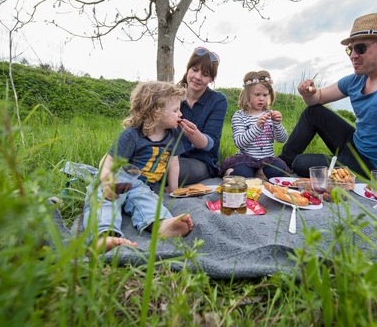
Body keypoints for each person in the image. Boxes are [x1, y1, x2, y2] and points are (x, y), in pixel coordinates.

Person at [278, 13, 377, 201]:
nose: (353, 55)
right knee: (314, 112)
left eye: (360, 48)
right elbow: (317, 98)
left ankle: (295, 165)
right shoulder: (357, 79)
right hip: (355, 145)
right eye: (349, 50)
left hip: (374, 167)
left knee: (301, 163)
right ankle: (278, 167)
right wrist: (308, 94)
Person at [83, 81, 194, 252]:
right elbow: (108, 162)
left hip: (143, 187)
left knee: (148, 201)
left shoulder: (173, 134)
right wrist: (106, 181)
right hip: (121, 179)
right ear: (156, 112)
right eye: (175, 110)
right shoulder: (132, 135)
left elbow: (174, 163)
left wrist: (174, 190)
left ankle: (161, 225)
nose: (180, 114)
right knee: (103, 199)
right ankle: (102, 235)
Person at [219, 70, 292, 179]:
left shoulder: (270, 114)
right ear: (247, 95)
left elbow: (282, 139)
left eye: (265, 95)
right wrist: (256, 127)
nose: (262, 98)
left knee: (279, 169)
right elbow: (239, 142)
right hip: (246, 159)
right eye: (257, 94)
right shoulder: (240, 116)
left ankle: (259, 173)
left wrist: (277, 124)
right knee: (243, 174)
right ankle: (230, 173)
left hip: (267, 159)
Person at [176, 46, 228, 185]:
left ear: (211, 79)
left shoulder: (218, 100)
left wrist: (194, 135)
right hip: (169, 156)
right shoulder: (172, 95)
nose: (197, 77)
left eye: (205, 74)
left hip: (200, 161)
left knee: (168, 170)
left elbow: (211, 144)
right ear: (188, 69)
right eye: (194, 70)